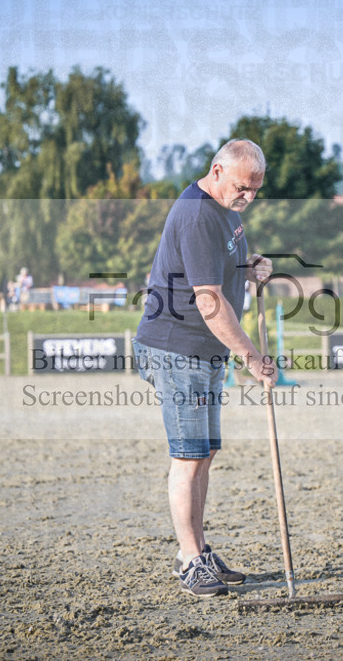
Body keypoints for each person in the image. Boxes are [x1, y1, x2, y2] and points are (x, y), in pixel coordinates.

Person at [133, 138, 277, 598]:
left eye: (255, 189)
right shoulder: (197, 214)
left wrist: (249, 266)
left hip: (204, 351)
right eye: (241, 187)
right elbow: (209, 303)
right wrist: (252, 358)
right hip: (180, 349)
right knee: (188, 456)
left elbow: (221, 268)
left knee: (204, 454)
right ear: (217, 171)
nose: (248, 197)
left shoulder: (226, 211)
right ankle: (190, 559)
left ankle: (197, 549)